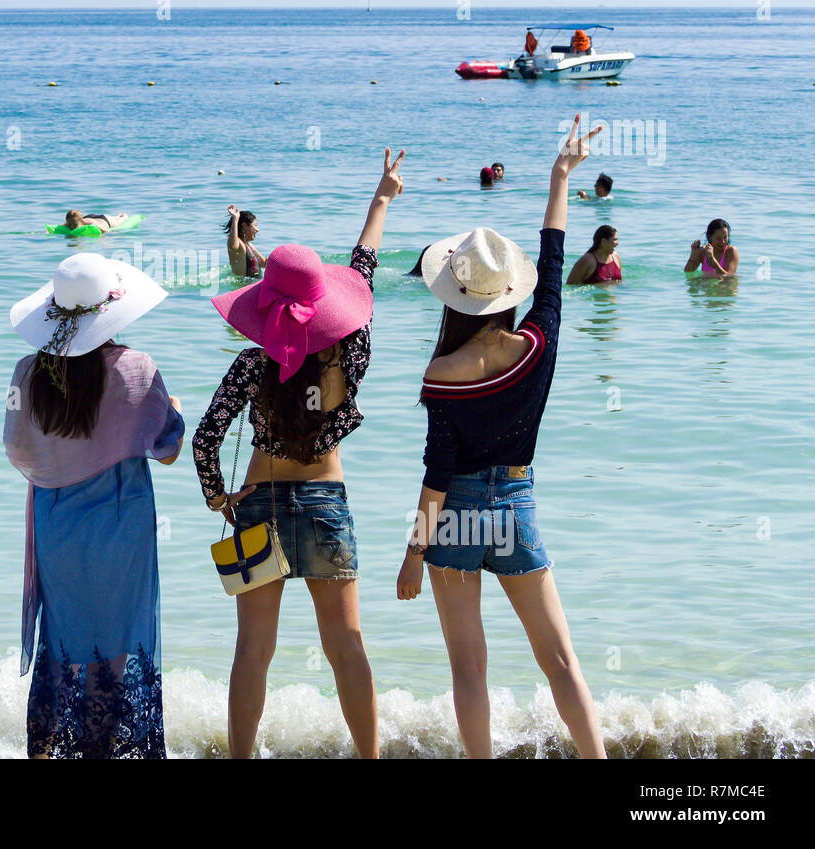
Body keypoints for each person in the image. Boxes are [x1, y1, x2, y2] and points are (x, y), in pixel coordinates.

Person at [396, 113, 606, 760]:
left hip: (454, 517)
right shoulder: (538, 344)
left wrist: (413, 550)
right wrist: (559, 175)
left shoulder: (440, 373)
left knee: (469, 669)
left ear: (453, 300)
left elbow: (437, 472)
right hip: (515, 507)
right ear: (506, 294)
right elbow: (552, 258)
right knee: (562, 661)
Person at [193, 147, 407, 760]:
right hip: (324, 505)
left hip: (258, 506)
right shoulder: (348, 357)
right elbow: (361, 274)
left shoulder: (251, 363)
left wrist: (216, 496)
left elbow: (207, 435)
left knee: (253, 651)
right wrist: (382, 199)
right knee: (346, 646)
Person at [3, 253, 185, 758]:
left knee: (63, 640)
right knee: (119, 640)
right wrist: (173, 412)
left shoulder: (28, 373)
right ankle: (107, 748)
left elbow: (17, 448)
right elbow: (167, 450)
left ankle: (51, 747)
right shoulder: (138, 368)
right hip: (122, 530)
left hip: (57, 530)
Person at [224, 205, 265, 277]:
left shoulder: (249, 245)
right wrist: (235, 219)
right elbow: (233, 246)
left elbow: (264, 263)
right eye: (255, 225)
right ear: (244, 226)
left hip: (255, 284)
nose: (257, 230)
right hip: (244, 286)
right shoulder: (239, 245)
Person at [65, 209, 129, 232]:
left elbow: (106, 231)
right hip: (90, 216)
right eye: (69, 224)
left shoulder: (91, 222)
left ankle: (120, 216)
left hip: (105, 220)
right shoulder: (71, 221)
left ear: (80, 221)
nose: (71, 227)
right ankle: (116, 216)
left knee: (121, 219)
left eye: (74, 225)